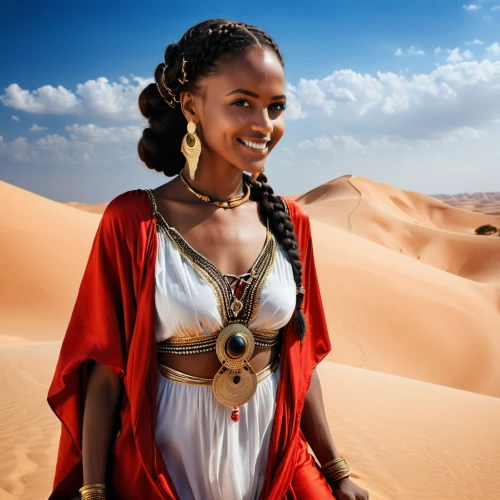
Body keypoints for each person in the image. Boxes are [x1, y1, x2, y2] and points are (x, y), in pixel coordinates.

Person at [47, 18, 369, 500]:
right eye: (243, 102)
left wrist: (337, 471)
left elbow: (299, 365)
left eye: (275, 107)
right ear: (192, 105)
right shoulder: (133, 222)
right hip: (167, 464)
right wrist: (93, 490)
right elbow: (102, 374)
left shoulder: (291, 223)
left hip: (274, 459)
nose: (264, 125)